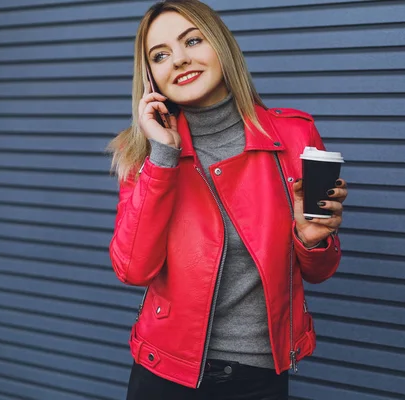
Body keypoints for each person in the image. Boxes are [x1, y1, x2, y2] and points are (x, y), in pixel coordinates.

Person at [107, 1, 348, 399]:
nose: (180, 60)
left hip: (260, 377)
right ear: (150, 78)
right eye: (161, 55)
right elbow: (133, 268)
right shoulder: (145, 155)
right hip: (166, 376)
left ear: (221, 45)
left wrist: (312, 239)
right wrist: (163, 156)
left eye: (193, 40)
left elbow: (319, 270)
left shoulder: (295, 137)